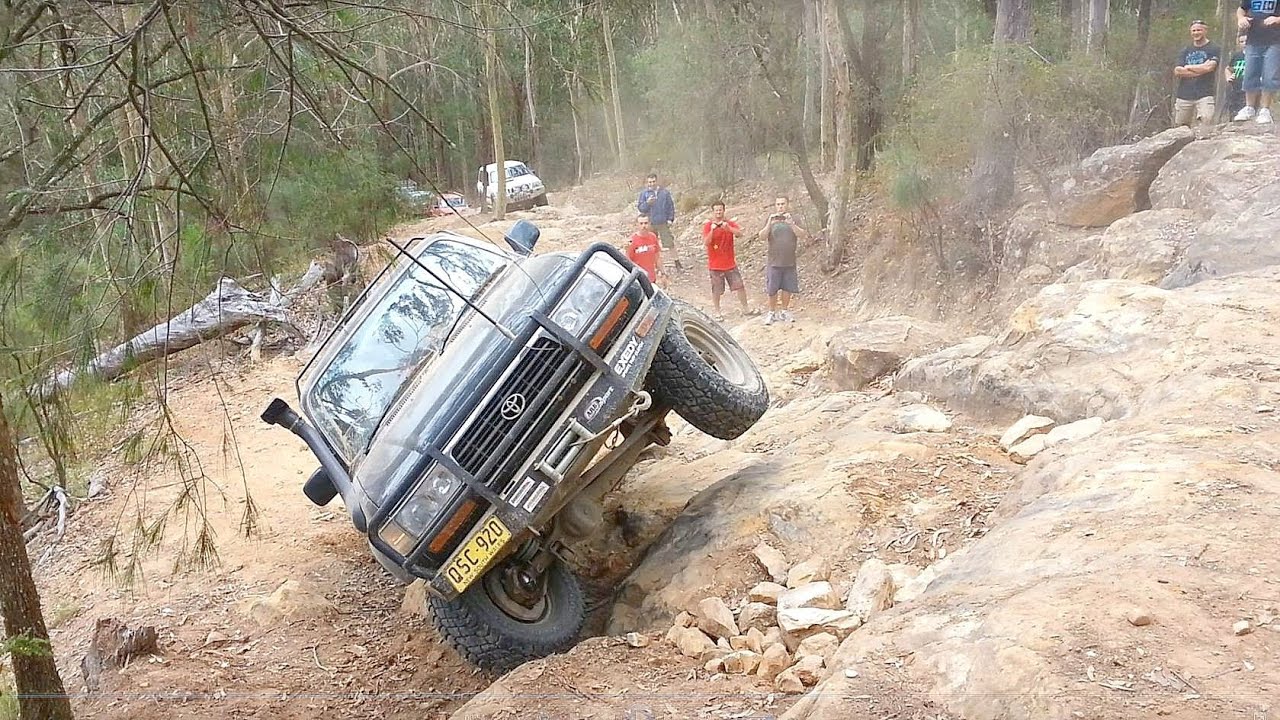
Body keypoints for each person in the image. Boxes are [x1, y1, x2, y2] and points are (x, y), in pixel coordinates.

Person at [756, 196, 808, 326]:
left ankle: (784, 311)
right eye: (778, 204)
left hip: (789, 260)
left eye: (783, 204)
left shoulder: (794, 218)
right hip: (774, 261)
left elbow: (802, 235)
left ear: (787, 204)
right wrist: (769, 223)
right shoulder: (770, 219)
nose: (780, 206)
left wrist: (791, 224)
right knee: (772, 289)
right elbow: (761, 236)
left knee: (787, 287)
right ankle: (771, 312)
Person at [701, 201, 754, 319]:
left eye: (720, 210)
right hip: (715, 265)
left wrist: (728, 228)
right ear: (713, 212)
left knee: (740, 286)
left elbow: (740, 234)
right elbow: (706, 242)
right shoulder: (708, 225)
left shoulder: (729, 223)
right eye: (716, 210)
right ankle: (717, 312)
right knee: (716, 290)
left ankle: (746, 308)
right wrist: (712, 230)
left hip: (730, 263)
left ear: (724, 210)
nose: (718, 212)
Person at [1235, 0, 1280, 124]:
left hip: (1275, 41)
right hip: (1253, 39)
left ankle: (1265, 109)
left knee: (1270, 75)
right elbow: (1241, 9)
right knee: (1250, 73)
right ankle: (1249, 107)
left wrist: (1277, 19)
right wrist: (1241, 19)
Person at [1173, 20, 1221, 130]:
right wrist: (1202, 68)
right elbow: (1178, 71)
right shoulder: (1185, 50)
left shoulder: (1214, 48)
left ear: (1205, 31)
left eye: (1199, 30)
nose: (1196, 33)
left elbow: (1210, 67)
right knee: (1180, 128)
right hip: (1184, 94)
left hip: (1205, 93)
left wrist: (1188, 67)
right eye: (1193, 31)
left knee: (1207, 121)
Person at [636, 173, 681, 270]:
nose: (651, 184)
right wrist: (647, 203)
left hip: (662, 221)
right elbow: (641, 208)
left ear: (657, 181)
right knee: (651, 245)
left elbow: (670, 206)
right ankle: (655, 265)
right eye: (649, 182)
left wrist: (670, 219)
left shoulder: (664, 193)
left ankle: (677, 262)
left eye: (653, 181)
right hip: (650, 223)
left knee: (669, 242)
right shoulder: (644, 194)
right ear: (647, 183)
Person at [626, 214, 661, 285]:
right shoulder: (632, 240)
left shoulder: (653, 237)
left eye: (646, 223)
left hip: (651, 277)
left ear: (649, 223)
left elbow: (657, 256)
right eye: (641, 223)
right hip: (639, 279)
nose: (644, 226)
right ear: (637, 224)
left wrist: (662, 272)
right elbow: (628, 260)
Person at [1225, 35, 1249, 119]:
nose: (1244, 43)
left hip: (1250, 89)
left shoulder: (1256, 56)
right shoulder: (1237, 55)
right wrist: (1228, 77)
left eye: (1246, 41)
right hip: (1236, 88)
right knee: (1234, 111)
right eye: (1241, 42)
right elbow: (1228, 68)